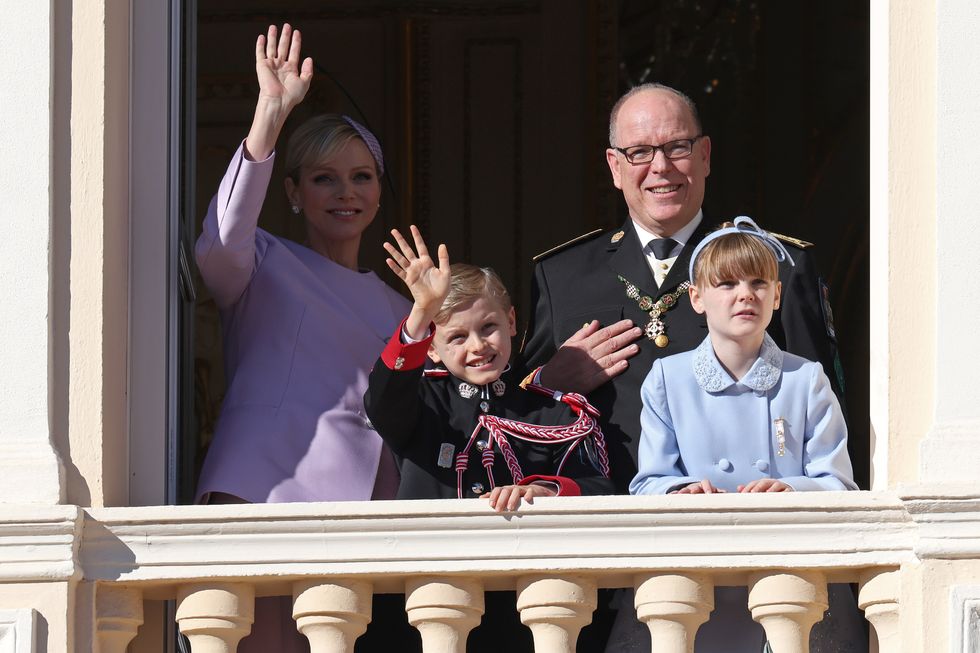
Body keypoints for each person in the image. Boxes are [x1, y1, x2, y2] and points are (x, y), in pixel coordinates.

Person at [192, 24, 411, 651]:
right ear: (291, 192)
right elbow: (222, 236)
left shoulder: (402, 304)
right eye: (324, 178)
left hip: (366, 507)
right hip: (269, 489)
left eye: (362, 177)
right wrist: (271, 111)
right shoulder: (259, 261)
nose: (346, 192)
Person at [522, 83, 844, 495]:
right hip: (599, 517)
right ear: (614, 167)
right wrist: (550, 381)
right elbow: (504, 414)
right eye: (639, 152)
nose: (660, 167)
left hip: (738, 518)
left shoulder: (777, 264)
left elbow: (824, 415)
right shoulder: (561, 275)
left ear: (705, 155)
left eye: (677, 147)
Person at [606, 217, 861, 653]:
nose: (746, 294)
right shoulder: (668, 378)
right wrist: (680, 490)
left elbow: (839, 483)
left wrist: (789, 487)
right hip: (697, 583)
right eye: (726, 283)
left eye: (759, 282)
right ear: (697, 297)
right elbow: (648, 481)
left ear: (777, 294)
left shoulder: (806, 380)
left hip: (787, 579)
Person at [364, 226, 613, 652]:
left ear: (512, 321)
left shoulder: (552, 409)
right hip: (429, 604)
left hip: (521, 613)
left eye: (489, 327)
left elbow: (599, 487)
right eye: (457, 337)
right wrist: (420, 314)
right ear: (434, 349)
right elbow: (383, 399)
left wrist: (543, 489)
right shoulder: (423, 404)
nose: (478, 345)